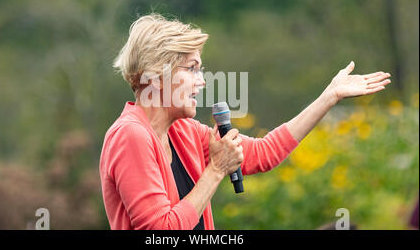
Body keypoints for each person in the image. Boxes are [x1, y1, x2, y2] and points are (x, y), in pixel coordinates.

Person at [99, 14, 391, 230]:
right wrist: (215, 170)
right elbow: (161, 231)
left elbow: (264, 153)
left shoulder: (183, 132)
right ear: (158, 76)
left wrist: (329, 97)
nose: (202, 82)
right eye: (192, 69)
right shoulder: (131, 135)